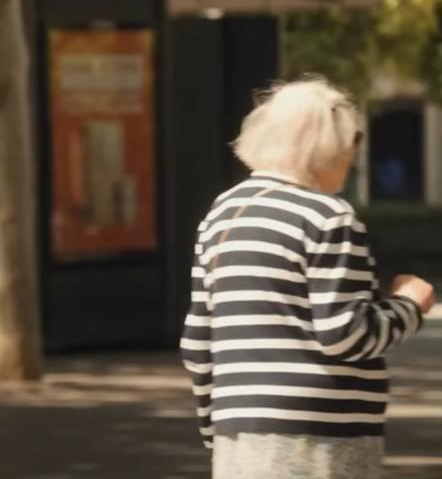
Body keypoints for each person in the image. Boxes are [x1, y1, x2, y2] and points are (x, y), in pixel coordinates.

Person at [180, 77, 435, 479]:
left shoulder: (223, 215)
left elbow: (197, 343)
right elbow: (346, 334)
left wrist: (219, 430)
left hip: (239, 434)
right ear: (328, 150)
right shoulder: (329, 218)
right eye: (351, 147)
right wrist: (409, 306)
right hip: (322, 436)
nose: (352, 160)